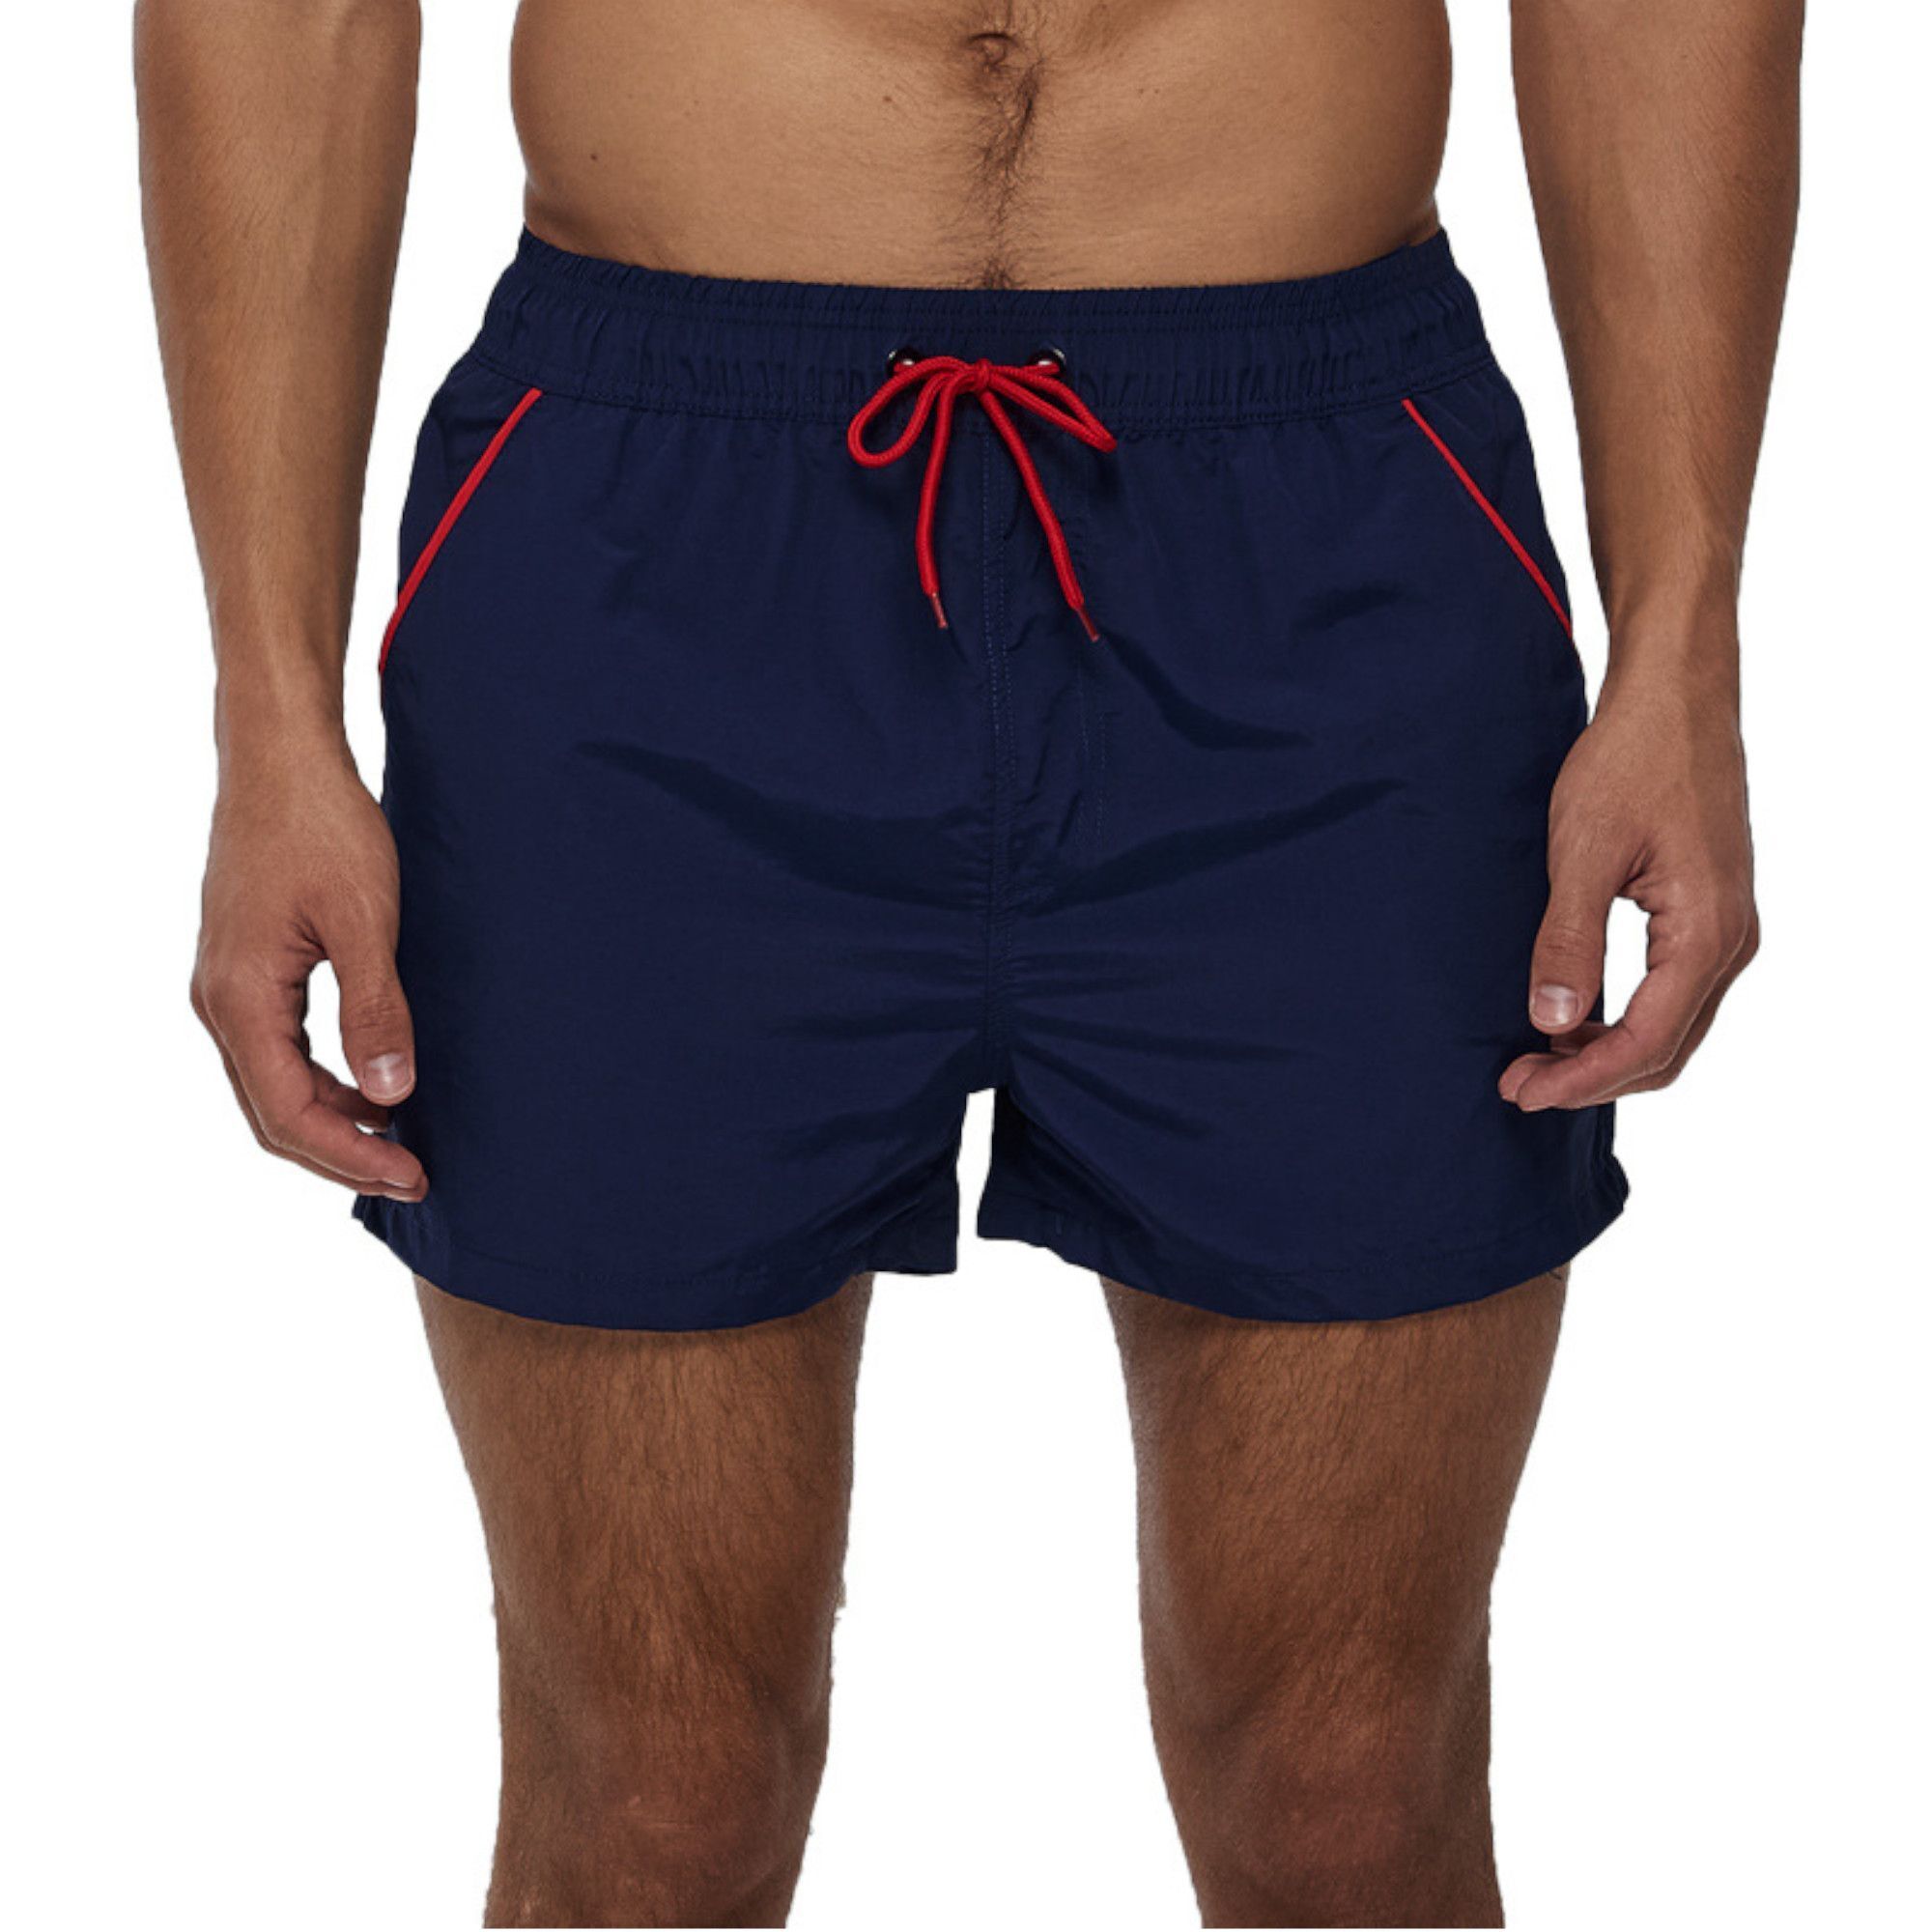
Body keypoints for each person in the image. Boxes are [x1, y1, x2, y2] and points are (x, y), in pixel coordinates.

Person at [137, 0, 1796, 1922]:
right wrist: (270, 711)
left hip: (1321, 527)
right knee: (658, 1798)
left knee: (1344, 1790)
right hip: (658, 540)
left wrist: (1682, 646)